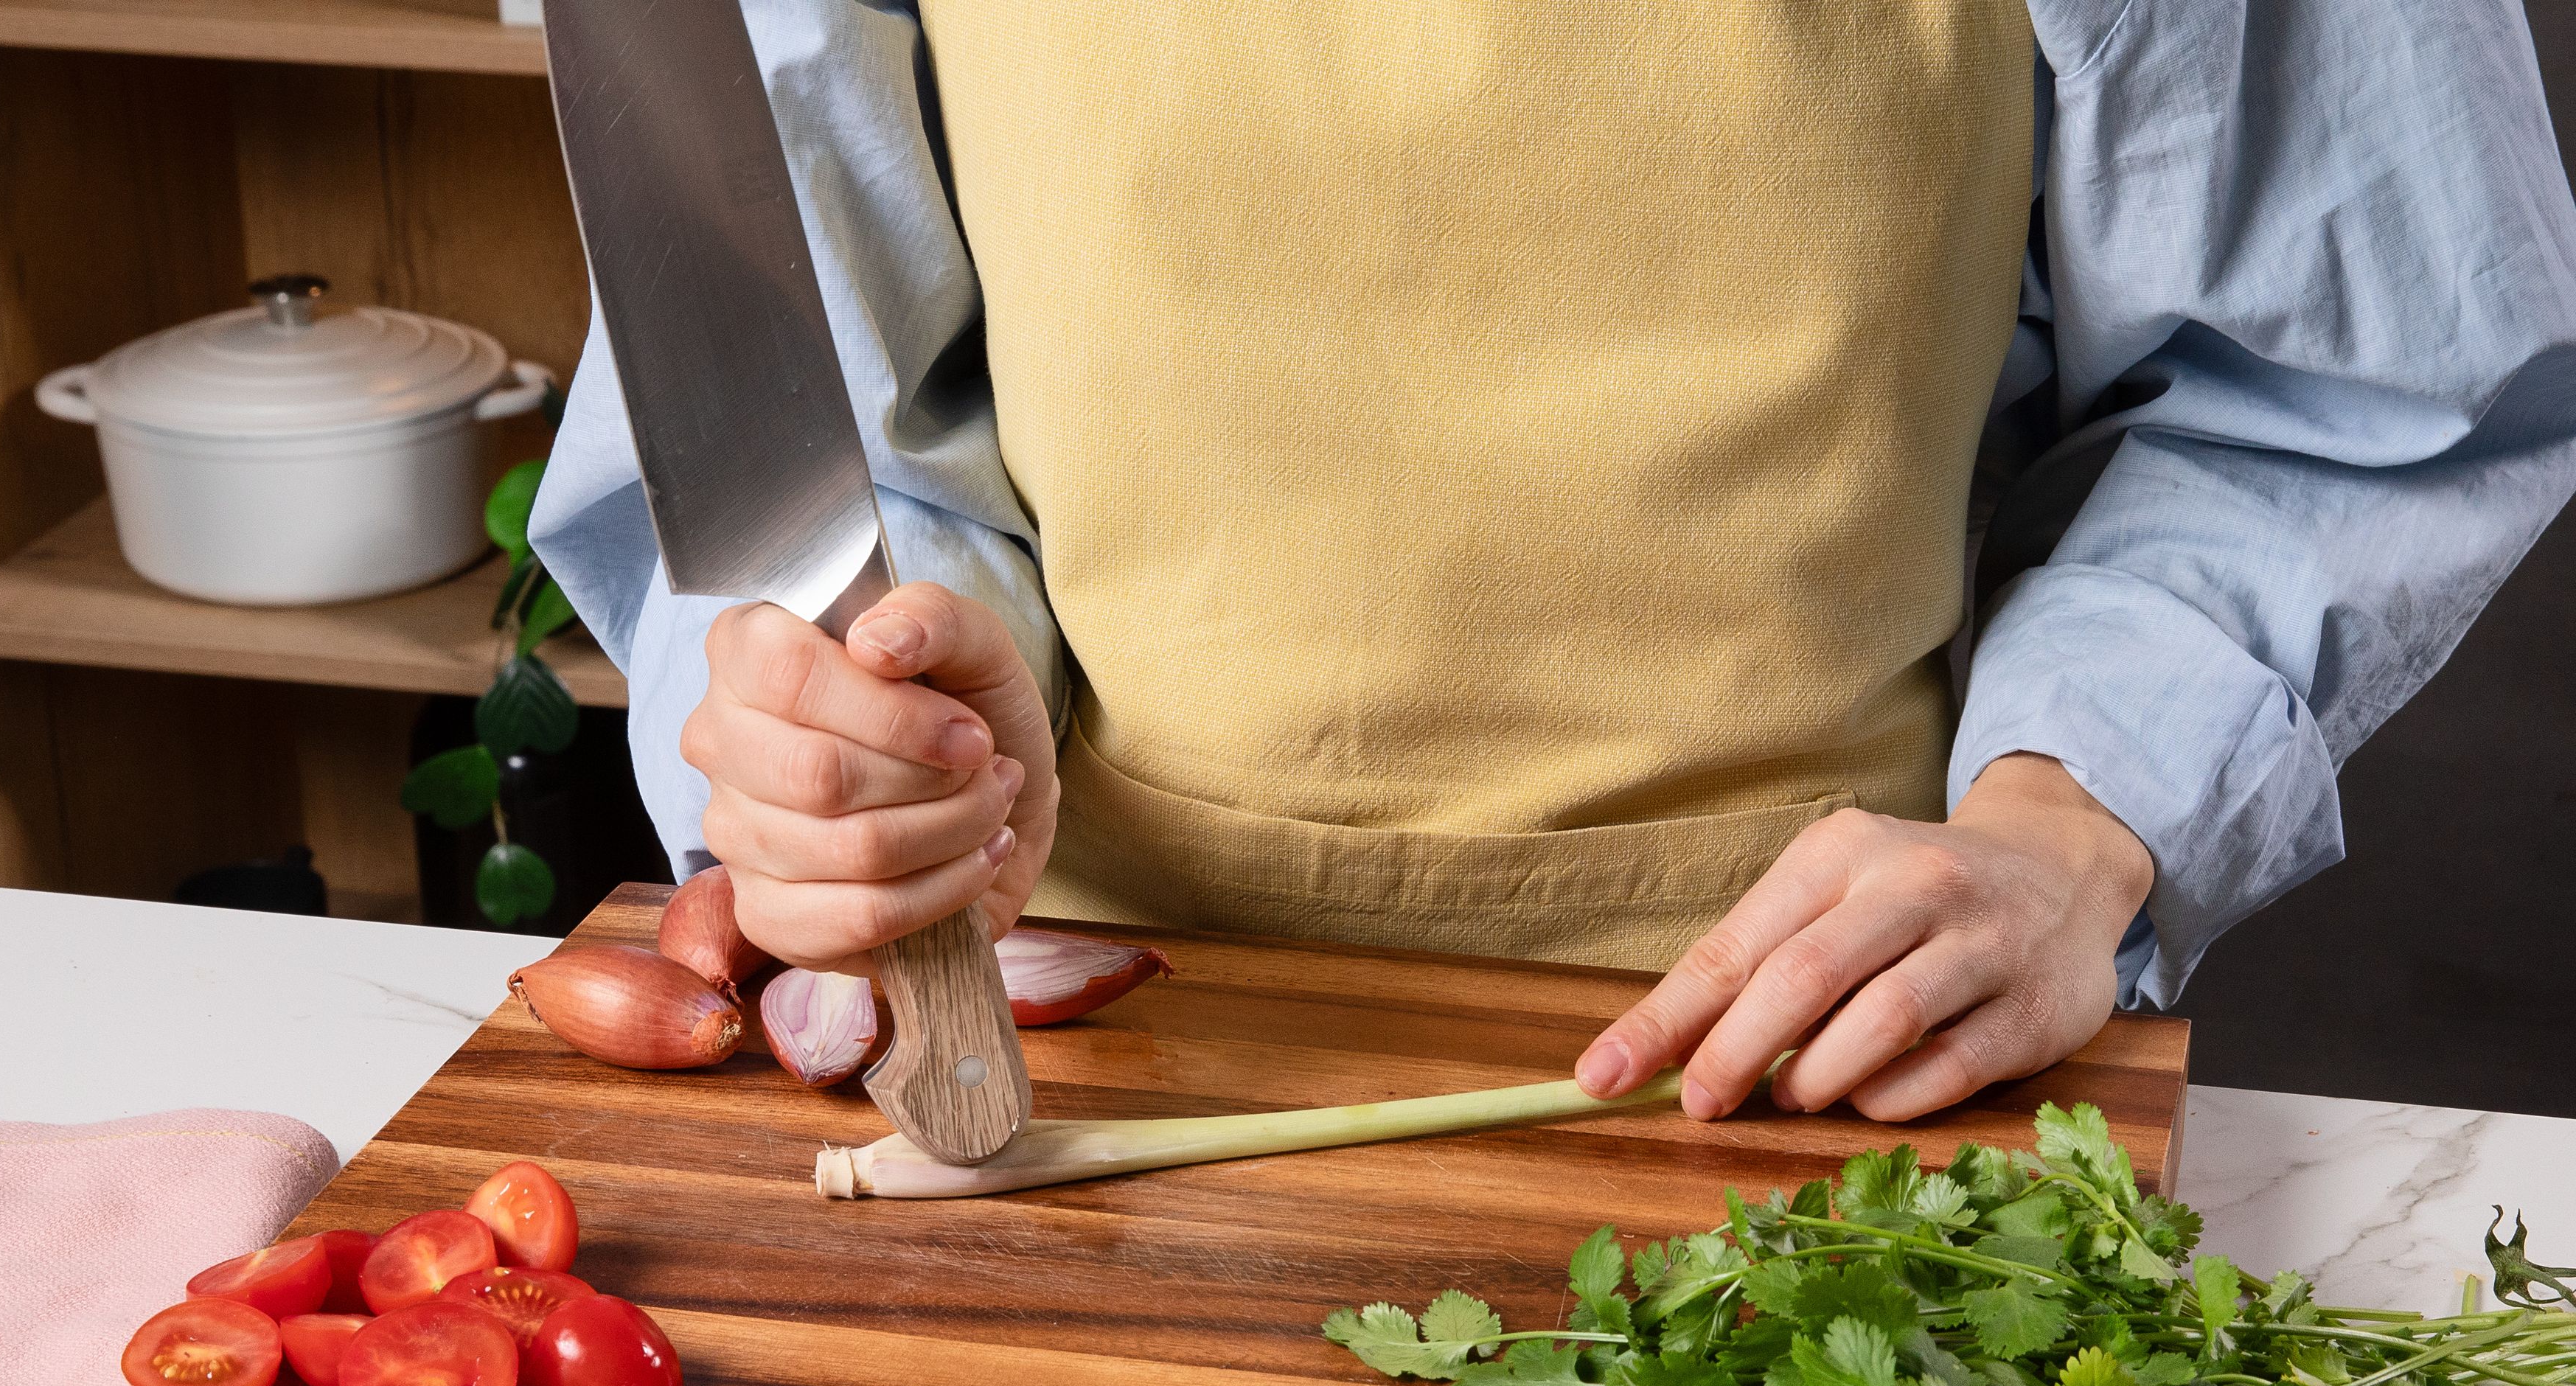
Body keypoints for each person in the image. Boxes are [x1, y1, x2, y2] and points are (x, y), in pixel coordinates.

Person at [535, 1, 2576, 1123]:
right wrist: (873, 710)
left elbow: (2345, 374)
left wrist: (2067, 825)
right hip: (1066, 1060)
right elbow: (808, 421)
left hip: (1830, 1070)